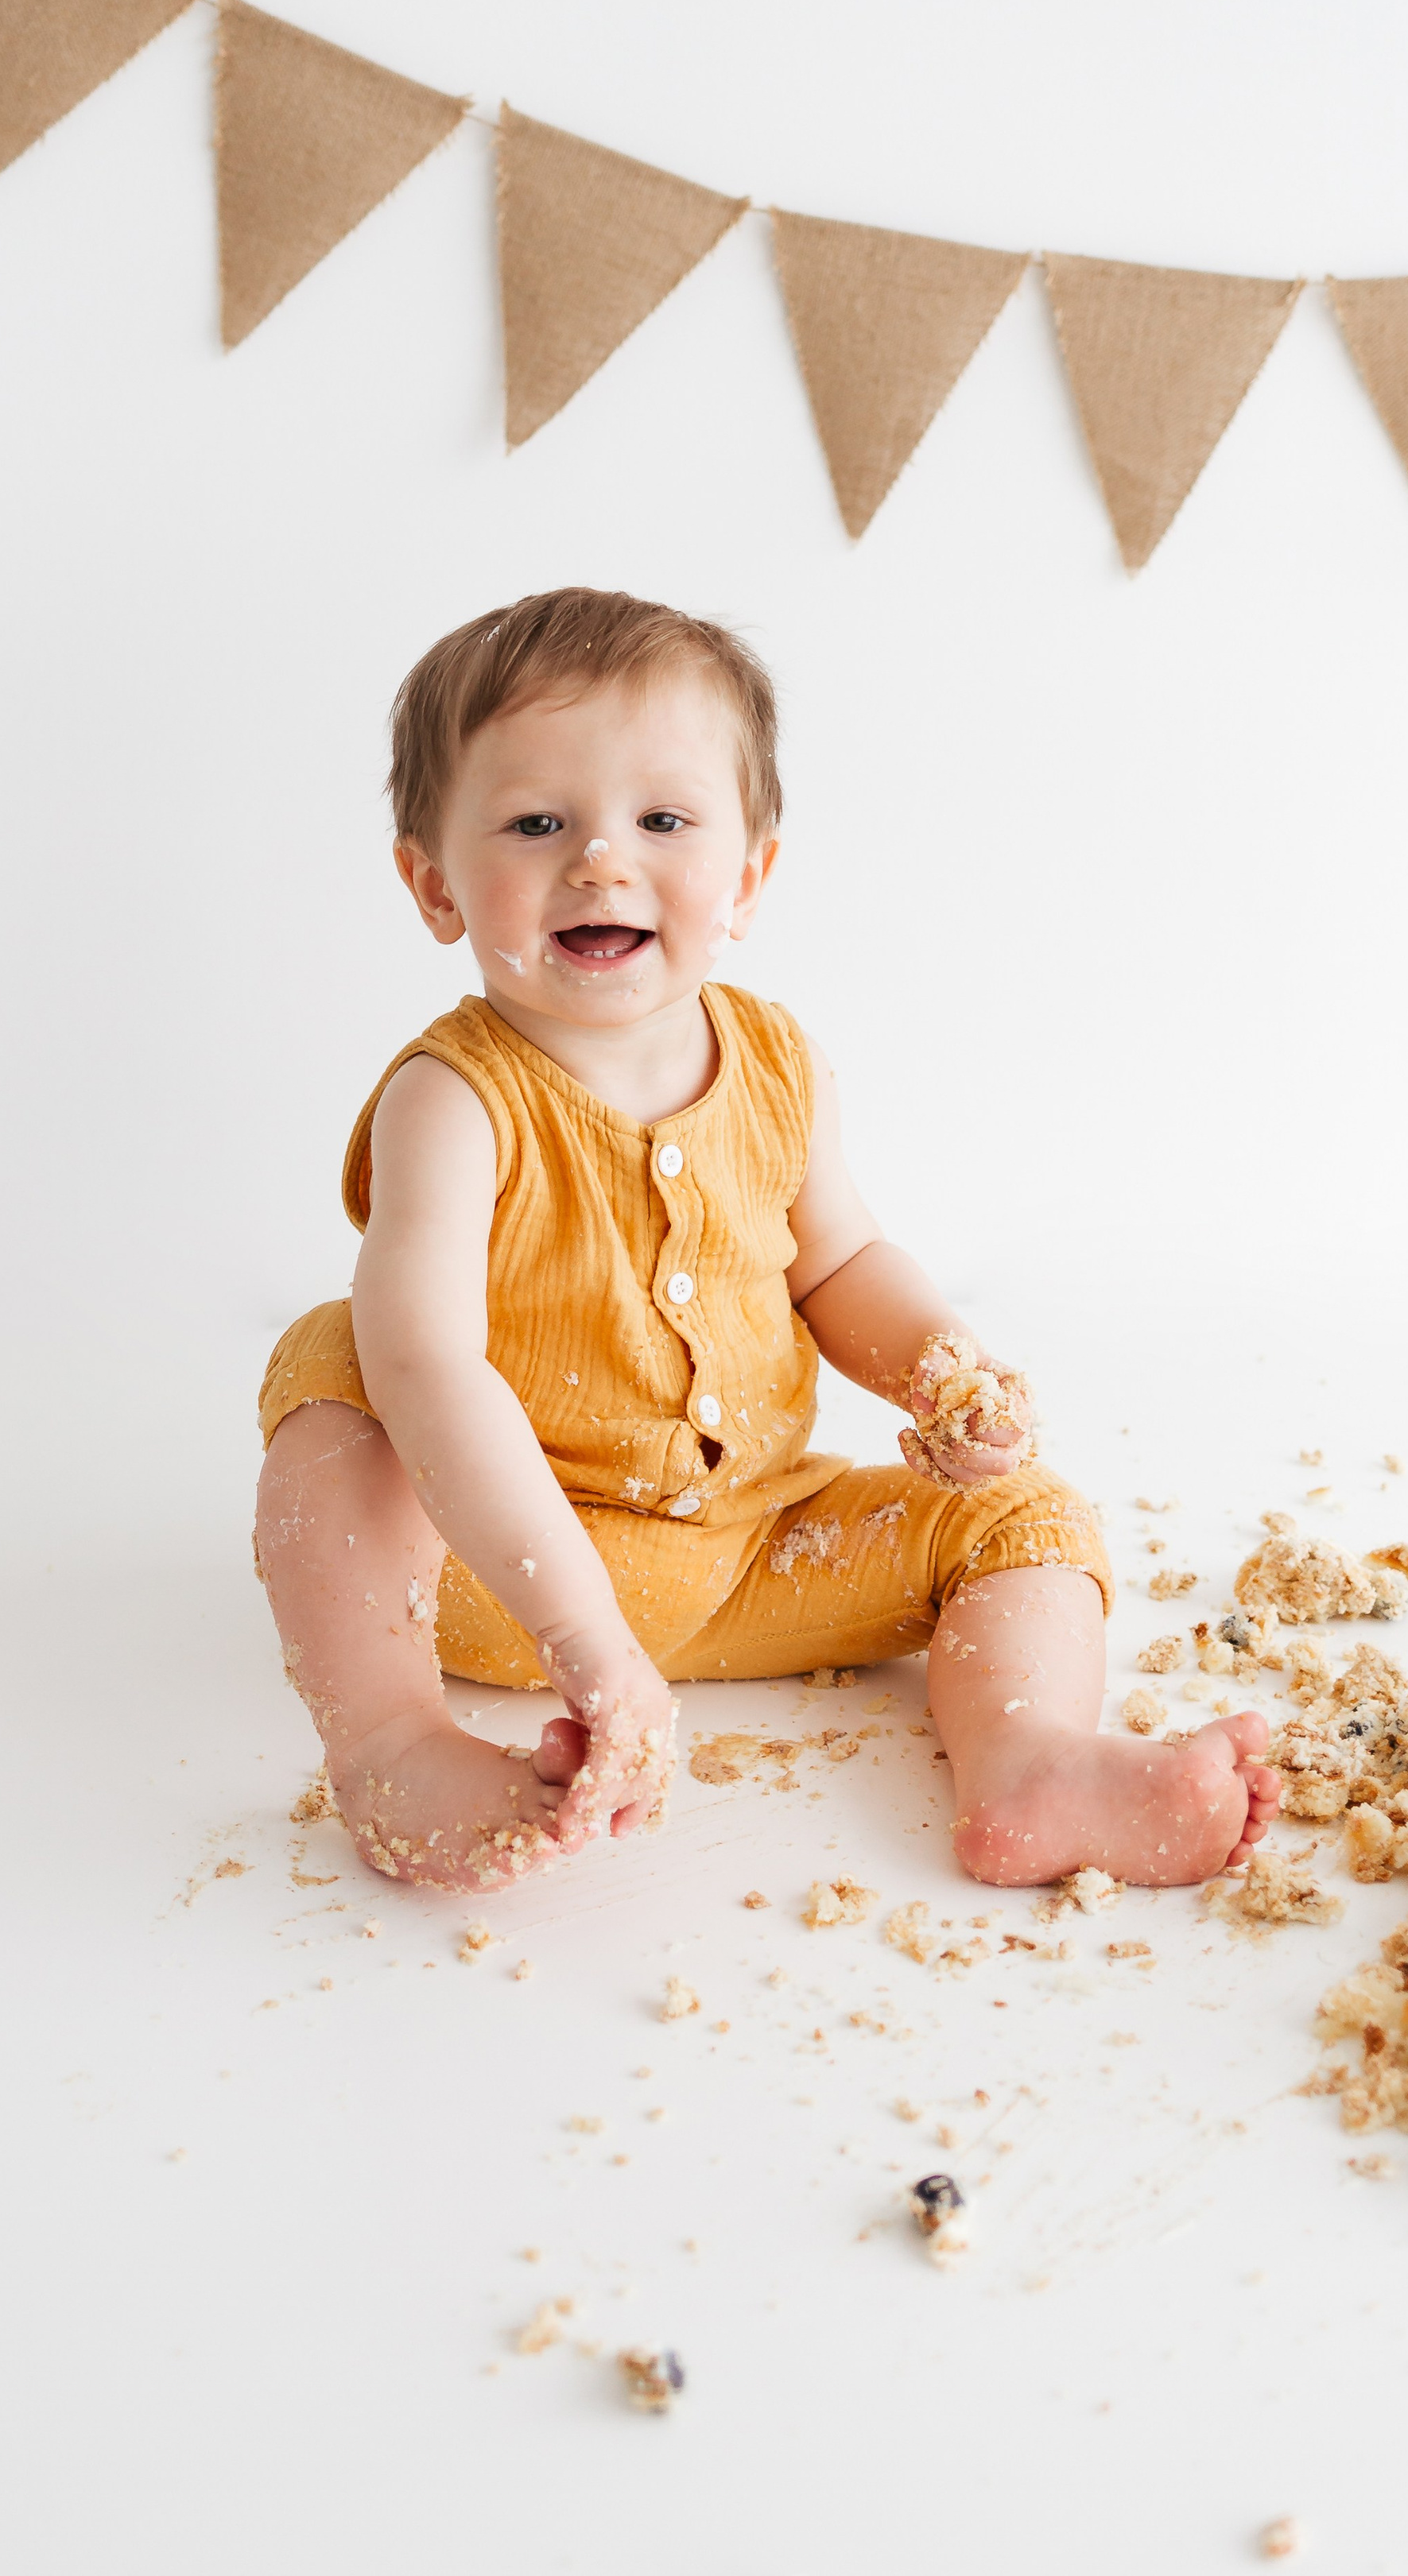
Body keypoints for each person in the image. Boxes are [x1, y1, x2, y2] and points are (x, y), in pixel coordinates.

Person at [255, 587, 1278, 1894]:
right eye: (535, 823)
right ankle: (393, 1742)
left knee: (1031, 1520)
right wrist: (582, 1631)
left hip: (755, 1552)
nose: (601, 861)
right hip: (497, 1567)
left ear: (747, 876)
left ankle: (1029, 1760)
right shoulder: (454, 1103)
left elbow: (841, 1263)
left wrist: (937, 1367)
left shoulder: (780, 1063)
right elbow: (433, 1373)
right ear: (434, 883)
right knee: (339, 1362)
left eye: (662, 821)